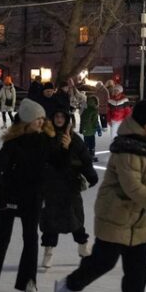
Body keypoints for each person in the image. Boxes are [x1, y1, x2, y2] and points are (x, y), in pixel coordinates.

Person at [53, 100, 146, 292]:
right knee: (103, 262)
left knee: (139, 266)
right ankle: (69, 285)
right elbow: (131, 185)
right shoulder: (127, 147)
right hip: (115, 213)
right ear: (141, 123)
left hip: (139, 218)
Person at [0, 98, 54, 292]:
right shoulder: (12, 144)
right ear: (27, 121)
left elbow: (57, 166)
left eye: (42, 118)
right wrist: (1, 193)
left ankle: (30, 281)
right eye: (37, 118)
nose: (41, 121)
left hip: (33, 197)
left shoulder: (47, 142)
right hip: (10, 196)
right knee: (2, 239)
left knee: (30, 238)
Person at [39, 106, 99, 269]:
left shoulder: (74, 138)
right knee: (50, 220)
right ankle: (48, 252)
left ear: (67, 119)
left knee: (75, 217)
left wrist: (91, 175)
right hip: (51, 185)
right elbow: (44, 160)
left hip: (70, 184)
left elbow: (85, 159)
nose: (59, 120)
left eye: (62, 117)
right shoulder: (45, 137)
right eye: (56, 116)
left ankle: (83, 245)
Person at [80, 92, 101, 162]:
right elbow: (95, 122)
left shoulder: (85, 110)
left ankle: (85, 155)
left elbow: (82, 120)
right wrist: (98, 130)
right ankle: (91, 155)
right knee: (92, 143)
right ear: (95, 103)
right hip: (91, 130)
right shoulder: (94, 111)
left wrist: (81, 129)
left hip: (85, 130)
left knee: (86, 142)